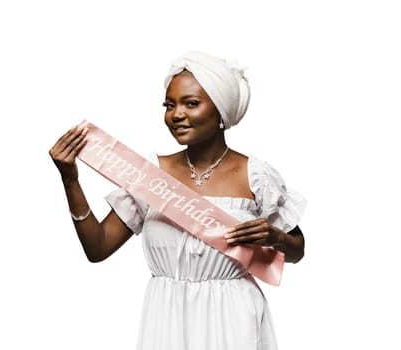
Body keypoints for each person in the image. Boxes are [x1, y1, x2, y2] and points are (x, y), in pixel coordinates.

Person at [49, 51, 306, 350]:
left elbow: (297, 251)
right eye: (169, 105)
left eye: (191, 103)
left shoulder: (257, 176)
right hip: (166, 315)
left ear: (221, 110)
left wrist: (274, 237)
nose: (176, 114)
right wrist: (70, 180)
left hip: (234, 317)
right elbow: (98, 247)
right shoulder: (150, 174)